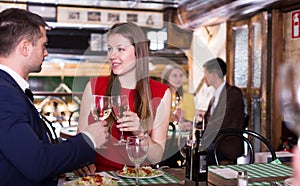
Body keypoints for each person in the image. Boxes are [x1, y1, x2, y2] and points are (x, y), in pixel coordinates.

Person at [0, 8, 109, 185]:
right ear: (25, 47)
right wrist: (89, 139)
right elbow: (37, 163)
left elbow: (29, 150)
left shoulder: (9, 88)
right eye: (44, 45)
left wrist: (70, 161)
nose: (46, 53)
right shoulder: (4, 93)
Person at [76, 22, 171, 172]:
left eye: (120, 49)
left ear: (138, 52)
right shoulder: (93, 87)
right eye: (109, 49)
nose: (111, 56)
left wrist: (140, 132)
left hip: (139, 177)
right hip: (101, 176)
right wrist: (80, 164)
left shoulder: (161, 92)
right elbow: (80, 142)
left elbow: (156, 157)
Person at [202, 57, 245, 165]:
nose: (204, 77)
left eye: (205, 73)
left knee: (196, 154)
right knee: (188, 149)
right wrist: (194, 125)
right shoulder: (215, 96)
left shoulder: (233, 94)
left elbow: (226, 122)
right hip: (214, 143)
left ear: (214, 74)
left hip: (225, 145)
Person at [160, 64, 195, 167]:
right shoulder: (160, 95)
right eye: (174, 75)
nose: (178, 78)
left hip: (179, 140)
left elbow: (191, 122)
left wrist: (184, 121)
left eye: (180, 75)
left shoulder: (188, 97)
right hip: (163, 139)